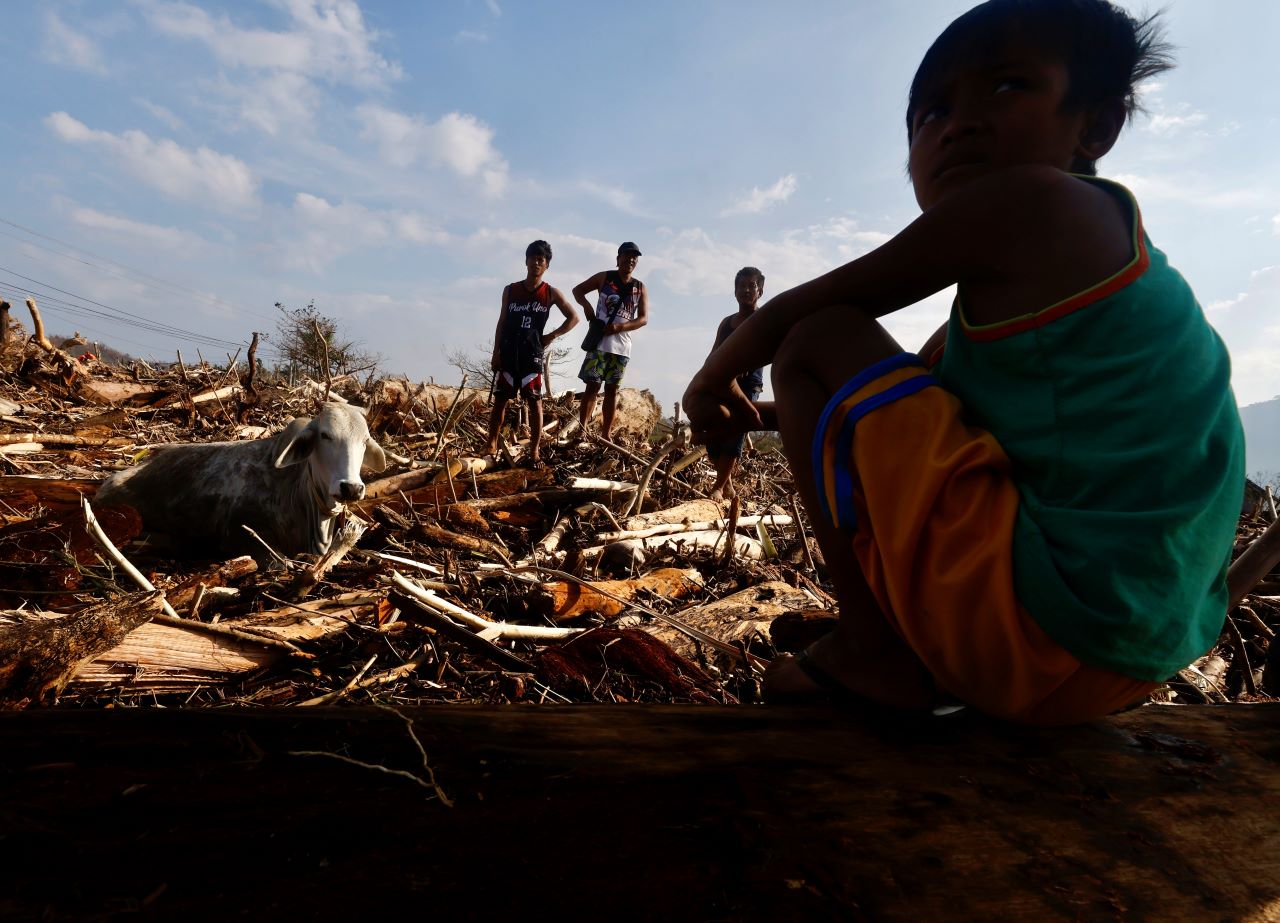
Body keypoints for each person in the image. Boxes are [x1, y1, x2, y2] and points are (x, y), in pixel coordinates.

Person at [682, 0, 1245, 725]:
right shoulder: (1040, 300)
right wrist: (758, 418)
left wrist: (708, 383)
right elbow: (881, 421)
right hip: (1117, 653)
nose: (959, 122)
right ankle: (908, 644)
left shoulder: (1036, 202)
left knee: (822, 336)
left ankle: (876, 651)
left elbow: (799, 319)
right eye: (930, 113)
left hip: (1048, 630)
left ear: (1095, 126)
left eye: (1007, 86)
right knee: (866, 373)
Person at [483, 240, 579, 464]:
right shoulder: (511, 290)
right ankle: (491, 442)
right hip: (508, 352)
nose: (536, 263)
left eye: (541, 260)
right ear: (525, 261)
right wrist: (495, 353)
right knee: (500, 401)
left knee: (535, 403)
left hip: (532, 354)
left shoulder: (550, 293)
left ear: (546, 265)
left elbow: (574, 318)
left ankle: (534, 450)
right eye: (533, 258)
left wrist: (551, 336)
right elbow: (502, 322)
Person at [573, 242, 649, 441]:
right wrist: (588, 309)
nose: (630, 260)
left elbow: (643, 319)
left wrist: (620, 328)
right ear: (618, 259)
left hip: (622, 347)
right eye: (627, 256)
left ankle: (605, 434)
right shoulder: (604, 277)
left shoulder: (639, 287)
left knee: (612, 390)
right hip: (599, 343)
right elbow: (578, 291)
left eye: (634, 257)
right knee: (592, 386)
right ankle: (583, 430)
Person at [705, 267, 768, 501]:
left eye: (751, 286)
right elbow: (713, 354)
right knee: (712, 430)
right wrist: (704, 377)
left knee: (736, 428)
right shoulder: (727, 323)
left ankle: (718, 487)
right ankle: (728, 482)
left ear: (760, 291)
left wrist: (746, 365)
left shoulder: (763, 319)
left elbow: (768, 351)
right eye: (741, 285)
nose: (746, 290)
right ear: (735, 290)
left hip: (749, 384)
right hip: (721, 382)